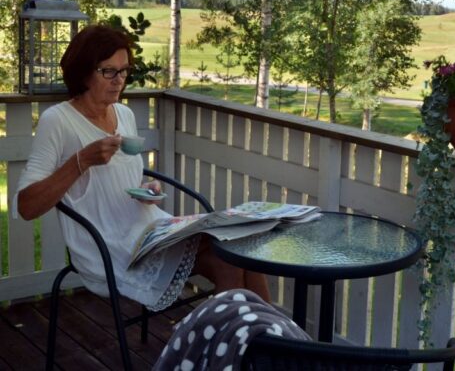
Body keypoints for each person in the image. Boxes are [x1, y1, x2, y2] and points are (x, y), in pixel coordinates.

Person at [14, 25, 270, 311]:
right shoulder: (58, 121)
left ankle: (264, 342)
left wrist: (145, 190)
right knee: (229, 257)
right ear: (83, 71)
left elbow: (119, 182)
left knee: (238, 249)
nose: (118, 80)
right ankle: (244, 345)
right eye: (108, 71)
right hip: (109, 247)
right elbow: (27, 206)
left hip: (150, 229)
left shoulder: (123, 114)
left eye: (123, 71)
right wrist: (81, 161)